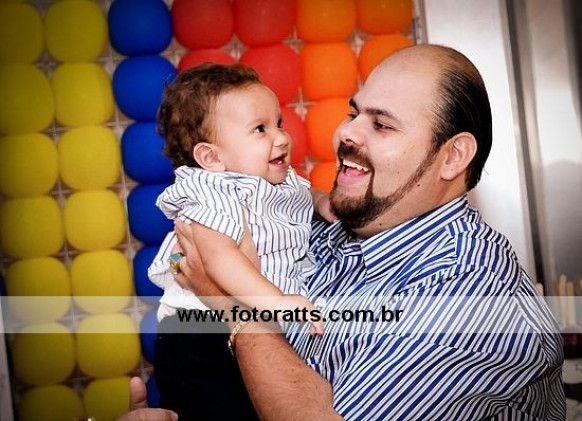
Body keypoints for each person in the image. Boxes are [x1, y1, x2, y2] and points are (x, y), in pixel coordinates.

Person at [169, 44, 566, 420]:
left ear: (453, 157)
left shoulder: (468, 294)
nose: (345, 133)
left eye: (381, 124)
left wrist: (235, 310)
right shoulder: (340, 225)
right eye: (353, 114)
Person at [148, 63, 325, 420]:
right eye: (260, 129)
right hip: (201, 334)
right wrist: (277, 302)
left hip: (243, 320)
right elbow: (218, 259)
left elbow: (302, 196)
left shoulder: (271, 178)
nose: (281, 137)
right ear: (211, 157)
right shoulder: (214, 192)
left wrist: (323, 201)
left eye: (279, 123)